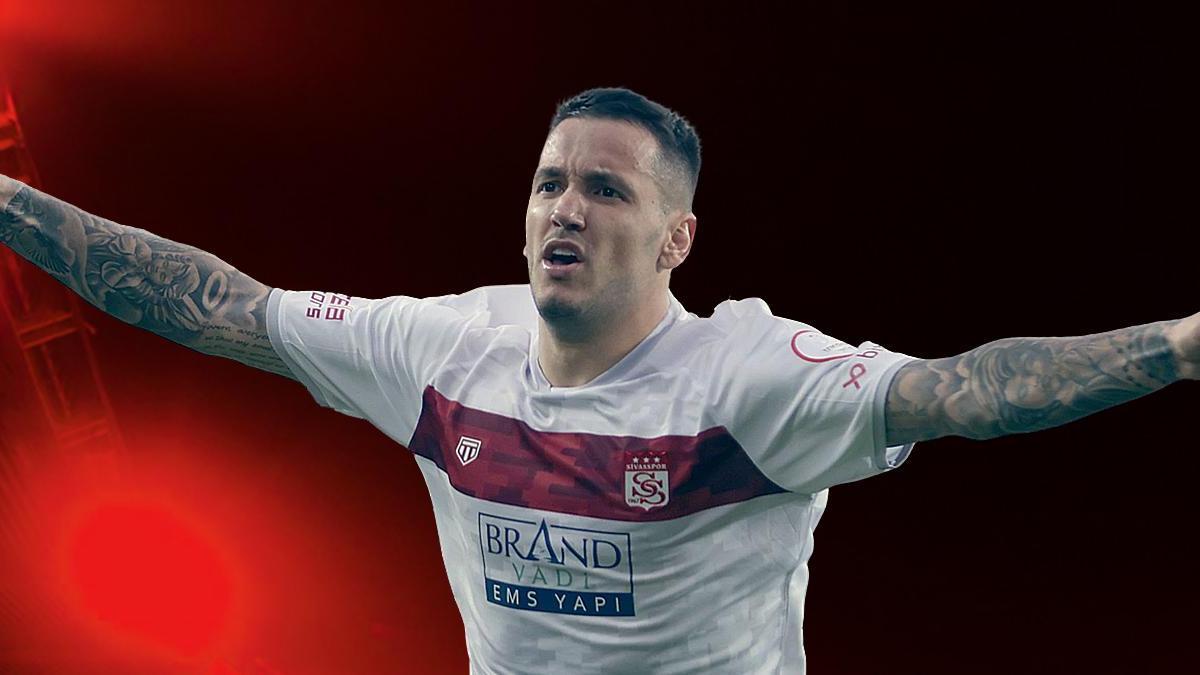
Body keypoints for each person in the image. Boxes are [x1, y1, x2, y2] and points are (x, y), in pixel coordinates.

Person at [1, 87, 1196, 674]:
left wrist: (1184, 346)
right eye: (549, 183)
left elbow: (966, 390)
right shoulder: (443, 350)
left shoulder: (750, 378)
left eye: (606, 190)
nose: (564, 208)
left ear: (677, 238)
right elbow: (217, 303)